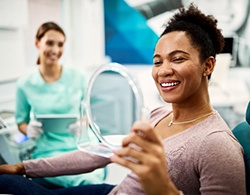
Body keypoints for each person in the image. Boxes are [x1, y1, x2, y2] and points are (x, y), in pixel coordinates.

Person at [0, 4, 246, 195]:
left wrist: (163, 190)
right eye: (157, 61)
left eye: (178, 59)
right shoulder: (158, 115)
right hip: (111, 190)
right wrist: (24, 168)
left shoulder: (217, 147)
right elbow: (98, 155)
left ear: (208, 65)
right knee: (10, 180)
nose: (163, 70)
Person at [13, 21, 106, 188]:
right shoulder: (25, 84)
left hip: (80, 145)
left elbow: (89, 113)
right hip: (47, 150)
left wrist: (82, 124)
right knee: (79, 182)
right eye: (50, 43)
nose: (55, 50)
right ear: (37, 42)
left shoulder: (78, 77)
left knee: (91, 180)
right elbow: (21, 122)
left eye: (60, 44)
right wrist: (29, 130)